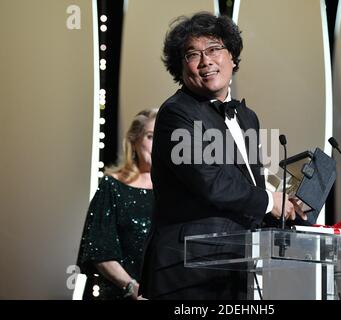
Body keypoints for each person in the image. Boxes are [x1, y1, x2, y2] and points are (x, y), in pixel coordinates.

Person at [139, 12, 303, 300]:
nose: (206, 61)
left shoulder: (248, 118)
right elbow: (211, 181)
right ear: (181, 67)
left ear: (233, 58)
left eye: (214, 49)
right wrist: (269, 201)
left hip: (237, 268)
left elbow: (249, 189)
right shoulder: (176, 113)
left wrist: (288, 208)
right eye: (193, 54)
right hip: (186, 271)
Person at [76, 108, 158, 300]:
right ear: (134, 141)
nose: (158, 144)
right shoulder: (112, 187)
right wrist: (132, 287)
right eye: (151, 136)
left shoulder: (175, 190)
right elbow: (99, 250)